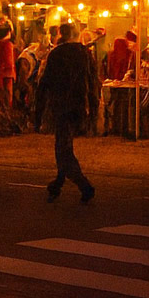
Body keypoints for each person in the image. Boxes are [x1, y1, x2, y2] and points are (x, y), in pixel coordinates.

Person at [36, 22, 97, 203]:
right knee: (64, 145)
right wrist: (93, 109)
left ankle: (84, 185)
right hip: (78, 106)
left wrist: (38, 113)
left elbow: (45, 83)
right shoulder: (84, 54)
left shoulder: (57, 54)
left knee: (63, 148)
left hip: (61, 106)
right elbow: (93, 82)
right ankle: (58, 184)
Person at [0, 24, 18, 136]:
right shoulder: (7, 45)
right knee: (6, 102)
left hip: (0, 76)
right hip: (6, 77)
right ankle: (4, 126)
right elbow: (7, 63)